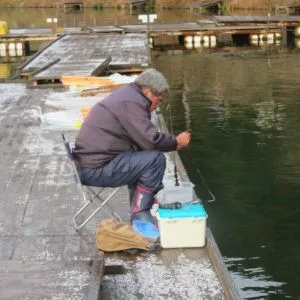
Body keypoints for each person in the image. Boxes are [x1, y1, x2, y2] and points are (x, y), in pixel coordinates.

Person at [74, 68, 191, 226]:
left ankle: (140, 204)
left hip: (90, 164)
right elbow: (151, 140)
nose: (157, 106)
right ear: (149, 91)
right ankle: (140, 215)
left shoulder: (128, 95)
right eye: (159, 100)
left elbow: (142, 140)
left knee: (142, 155)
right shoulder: (132, 102)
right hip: (95, 170)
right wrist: (176, 142)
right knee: (155, 160)